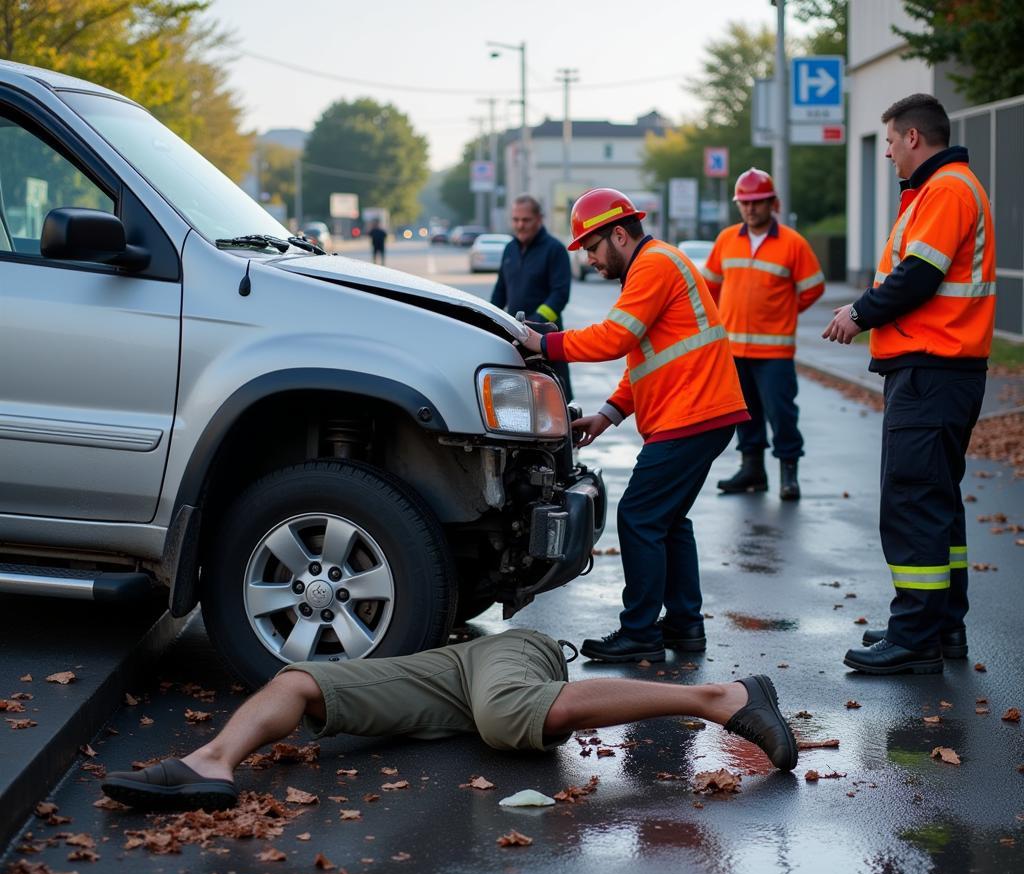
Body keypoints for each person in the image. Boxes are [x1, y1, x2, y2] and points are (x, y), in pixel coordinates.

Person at [101, 629, 798, 811]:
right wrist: (223, 759)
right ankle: (213, 762)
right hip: (448, 678)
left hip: (507, 653)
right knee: (299, 680)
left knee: (503, 719)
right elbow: (303, 687)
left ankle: (720, 698)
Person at [519, 188, 749, 664]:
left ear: (619, 234)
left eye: (592, 248)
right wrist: (608, 414)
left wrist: (544, 343)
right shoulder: (654, 265)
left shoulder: (653, 266)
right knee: (667, 521)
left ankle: (640, 631)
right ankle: (684, 625)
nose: (591, 260)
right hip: (700, 413)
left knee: (640, 517)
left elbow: (615, 337)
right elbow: (643, 358)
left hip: (692, 414)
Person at [822, 94, 994, 675]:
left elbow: (918, 276)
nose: (890, 153)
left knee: (915, 500)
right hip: (942, 369)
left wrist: (859, 313)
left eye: (892, 143)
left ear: (914, 138)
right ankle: (942, 626)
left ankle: (915, 635)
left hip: (932, 368)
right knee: (937, 504)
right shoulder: (945, 189)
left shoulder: (945, 191)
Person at [704, 169, 825, 501]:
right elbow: (710, 286)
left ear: (773, 203)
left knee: (782, 414)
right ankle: (752, 470)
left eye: (757, 202)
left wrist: (785, 312)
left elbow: (814, 288)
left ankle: (789, 474)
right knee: (745, 415)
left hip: (774, 353)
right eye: (744, 202)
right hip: (734, 349)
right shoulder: (727, 239)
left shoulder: (793, 243)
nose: (751, 209)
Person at [491, 195, 573, 400]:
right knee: (519, 401)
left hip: (548, 342)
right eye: (516, 220)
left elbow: (560, 294)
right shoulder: (510, 249)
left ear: (539, 219)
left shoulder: (555, 250)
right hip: (515, 340)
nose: (520, 225)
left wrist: (536, 324)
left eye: (525, 220)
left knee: (557, 399)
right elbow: (500, 291)